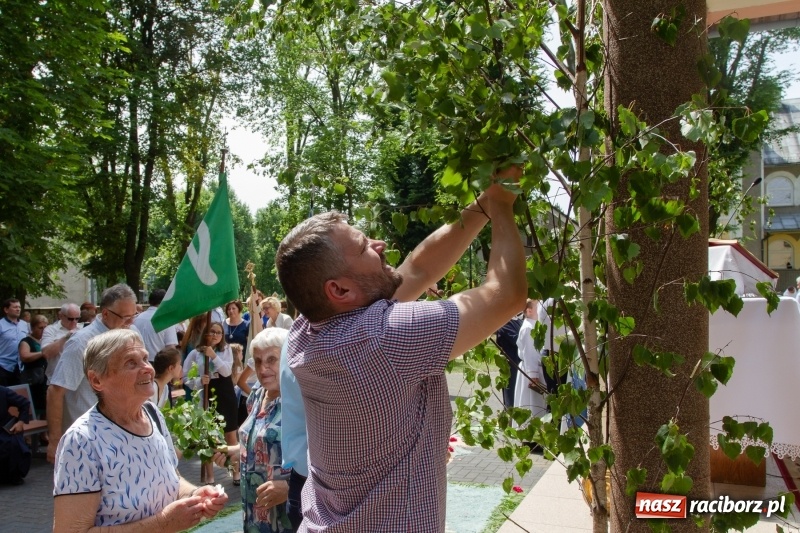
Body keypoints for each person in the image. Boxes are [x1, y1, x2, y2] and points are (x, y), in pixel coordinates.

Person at [274, 166, 526, 531]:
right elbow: (507, 295)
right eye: (364, 247)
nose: (379, 245)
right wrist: (503, 205)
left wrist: (486, 201)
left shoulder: (305, 332)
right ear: (340, 290)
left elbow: (420, 268)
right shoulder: (386, 338)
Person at [52, 330, 228, 531]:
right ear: (97, 380)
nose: (146, 368)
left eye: (145, 358)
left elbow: (171, 477)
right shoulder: (81, 441)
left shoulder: (152, 414)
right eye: (131, 363)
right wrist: (161, 524)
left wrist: (194, 496)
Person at [46, 283, 139, 463]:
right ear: (105, 313)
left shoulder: (130, 335)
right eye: (125, 317)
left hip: (122, 434)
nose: (131, 322)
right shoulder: (81, 343)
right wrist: (55, 440)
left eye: (133, 316)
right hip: (87, 441)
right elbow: (56, 391)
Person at [214, 328, 292, 532]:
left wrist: (291, 487)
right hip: (254, 510)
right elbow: (259, 437)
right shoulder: (257, 395)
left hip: (286, 513)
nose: (263, 368)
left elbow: (324, 457)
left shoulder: (299, 401)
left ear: (288, 358)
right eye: (257, 361)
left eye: (271, 359)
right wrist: (235, 450)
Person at [182, 321, 239, 484]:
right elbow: (185, 378)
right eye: (212, 332)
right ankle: (210, 477)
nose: (215, 335)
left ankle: (234, 473)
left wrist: (213, 355)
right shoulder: (195, 353)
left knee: (230, 434)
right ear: (205, 333)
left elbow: (227, 371)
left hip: (224, 392)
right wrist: (199, 381)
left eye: (219, 332)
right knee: (208, 436)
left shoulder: (225, 350)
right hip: (206, 393)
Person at [513, 299, 546, 419]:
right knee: (532, 403)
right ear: (529, 310)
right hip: (530, 370)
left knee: (538, 403)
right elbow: (529, 352)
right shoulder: (528, 327)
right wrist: (532, 375)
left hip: (535, 368)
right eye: (538, 306)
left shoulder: (535, 325)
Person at [41, 303, 83, 382]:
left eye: (77, 318)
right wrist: (66, 337)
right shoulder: (50, 330)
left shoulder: (83, 329)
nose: (74, 322)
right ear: (61, 316)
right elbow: (46, 353)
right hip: (58, 380)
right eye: (70, 319)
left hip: (79, 379)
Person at [133, 289, 179, 361]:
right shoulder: (166, 320)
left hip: (138, 361)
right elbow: (170, 348)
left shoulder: (136, 318)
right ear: (165, 302)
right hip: (158, 364)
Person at [0, 385, 32, 485]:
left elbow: (24, 403)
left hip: (3, 429)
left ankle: (11, 476)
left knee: (12, 444)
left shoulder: (3, 391)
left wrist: (21, 422)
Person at [18, 314, 49, 417]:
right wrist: (42, 353)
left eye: (45, 327)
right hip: (34, 380)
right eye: (40, 328)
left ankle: (44, 433)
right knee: (35, 408)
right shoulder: (26, 341)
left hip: (46, 379)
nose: (43, 330)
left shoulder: (47, 340)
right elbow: (25, 356)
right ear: (33, 328)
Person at [495, 313, 523, 408]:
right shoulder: (504, 322)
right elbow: (517, 340)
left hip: (520, 362)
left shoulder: (519, 320)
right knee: (510, 394)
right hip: (510, 364)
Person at [0, 298, 27, 386]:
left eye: (19, 307)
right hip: (3, 366)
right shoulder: (1, 324)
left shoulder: (25, 325)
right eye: (15, 307)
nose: (18, 309)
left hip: (19, 367)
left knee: (17, 396)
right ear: (6, 310)